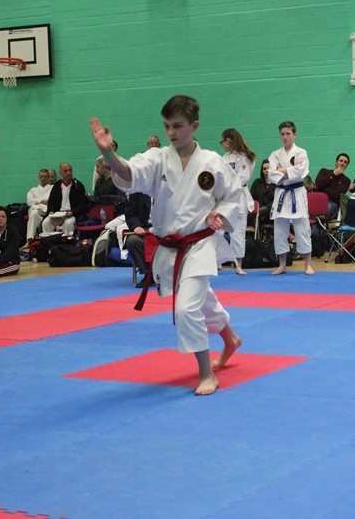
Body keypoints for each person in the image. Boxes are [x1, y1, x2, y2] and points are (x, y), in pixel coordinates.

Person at [90, 94, 244, 396]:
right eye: (166, 126)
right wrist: (108, 154)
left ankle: (206, 374)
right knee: (201, 299)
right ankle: (230, 339)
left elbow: (233, 195)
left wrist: (219, 214)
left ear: (194, 126)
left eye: (177, 126)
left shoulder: (212, 162)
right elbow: (128, 173)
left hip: (199, 244)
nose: (171, 132)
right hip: (171, 246)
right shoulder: (158, 158)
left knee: (187, 308)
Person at [268, 121, 315, 275]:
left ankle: (308, 265)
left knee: (302, 228)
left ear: (294, 135)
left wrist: (281, 170)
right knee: (280, 229)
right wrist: (290, 170)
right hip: (281, 193)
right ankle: (282, 265)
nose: (285, 137)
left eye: (288, 133)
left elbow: (301, 172)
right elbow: (271, 175)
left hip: (297, 193)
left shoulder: (301, 153)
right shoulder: (275, 154)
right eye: (282, 134)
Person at [220, 128, 256, 275]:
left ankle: (238, 264)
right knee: (218, 229)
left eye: (222, 141)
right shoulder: (224, 157)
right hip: (225, 197)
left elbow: (243, 177)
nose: (222, 144)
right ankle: (217, 261)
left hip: (239, 195)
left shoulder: (244, 157)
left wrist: (228, 185)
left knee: (238, 231)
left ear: (228, 140)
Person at [42, 162, 88, 237]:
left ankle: (68, 242)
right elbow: (51, 202)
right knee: (46, 222)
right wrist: (51, 211)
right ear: (60, 173)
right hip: (58, 214)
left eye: (70, 170)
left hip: (71, 214)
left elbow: (82, 204)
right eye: (65, 171)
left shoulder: (78, 186)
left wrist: (72, 212)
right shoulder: (56, 186)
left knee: (68, 223)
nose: (68, 173)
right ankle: (50, 242)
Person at [125, 192, 153, 288]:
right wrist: (136, 226)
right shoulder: (137, 191)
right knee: (132, 241)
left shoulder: (169, 189)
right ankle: (149, 274)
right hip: (144, 229)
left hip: (163, 229)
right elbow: (130, 214)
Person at [22, 168, 53, 249]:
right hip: (35, 210)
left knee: (34, 212)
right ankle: (29, 240)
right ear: (39, 177)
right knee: (34, 213)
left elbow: (50, 201)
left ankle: (46, 242)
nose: (43, 178)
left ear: (48, 177)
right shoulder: (33, 190)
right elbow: (29, 201)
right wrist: (41, 201)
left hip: (46, 210)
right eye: (41, 176)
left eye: (45, 176)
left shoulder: (52, 188)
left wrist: (36, 201)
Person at [313, 153, 351, 218]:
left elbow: (336, 195)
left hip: (331, 203)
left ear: (347, 165)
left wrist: (322, 188)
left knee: (327, 208)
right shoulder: (324, 171)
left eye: (345, 162)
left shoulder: (346, 180)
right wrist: (333, 174)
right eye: (341, 161)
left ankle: (319, 221)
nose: (342, 163)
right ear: (336, 162)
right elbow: (318, 184)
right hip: (318, 200)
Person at [250, 159, 275, 225]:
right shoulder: (257, 183)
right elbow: (251, 198)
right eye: (264, 169)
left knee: (273, 205)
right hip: (257, 213)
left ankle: (260, 214)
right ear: (262, 171)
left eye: (269, 168)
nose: (267, 170)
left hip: (271, 214)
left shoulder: (277, 184)